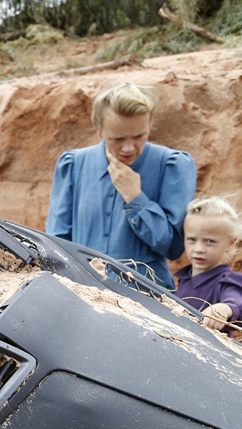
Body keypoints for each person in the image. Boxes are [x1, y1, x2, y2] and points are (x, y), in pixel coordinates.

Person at [46, 82, 196, 290]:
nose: (128, 148)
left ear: (150, 125)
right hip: (84, 293)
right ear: (99, 130)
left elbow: (172, 248)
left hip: (148, 299)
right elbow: (56, 244)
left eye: (139, 136)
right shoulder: (73, 165)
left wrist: (136, 198)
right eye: (117, 139)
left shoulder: (172, 165)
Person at [175, 196, 242, 335]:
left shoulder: (227, 281)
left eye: (209, 241)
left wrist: (226, 308)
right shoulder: (185, 278)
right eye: (192, 239)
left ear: (230, 243)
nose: (199, 249)